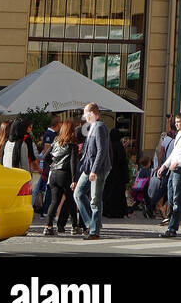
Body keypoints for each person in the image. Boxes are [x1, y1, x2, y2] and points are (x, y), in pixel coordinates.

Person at [73, 102, 112, 242]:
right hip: (88, 167)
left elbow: (102, 151)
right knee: (78, 193)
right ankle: (92, 223)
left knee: (95, 199)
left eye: (86, 113)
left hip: (98, 169)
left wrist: (94, 170)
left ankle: (94, 230)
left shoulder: (100, 127)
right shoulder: (92, 127)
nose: (84, 116)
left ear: (93, 113)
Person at [43, 121, 79, 236]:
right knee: (70, 201)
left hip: (53, 174)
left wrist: (52, 165)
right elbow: (73, 162)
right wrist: (74, 179)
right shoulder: (72, 143)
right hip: (65, 175)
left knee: (54, 201)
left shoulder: (55, 141)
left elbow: (45, 156)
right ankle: (74, 226)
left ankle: (48, 226)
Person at [102, 126, 130, 218]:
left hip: (108, 173)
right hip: (118, 175)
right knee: (118, 194)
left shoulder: (107, 146)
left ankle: (107, 210)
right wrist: (126, 176)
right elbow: (123, 162)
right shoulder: (119, 147)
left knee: (108, 192)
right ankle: (118, 212)